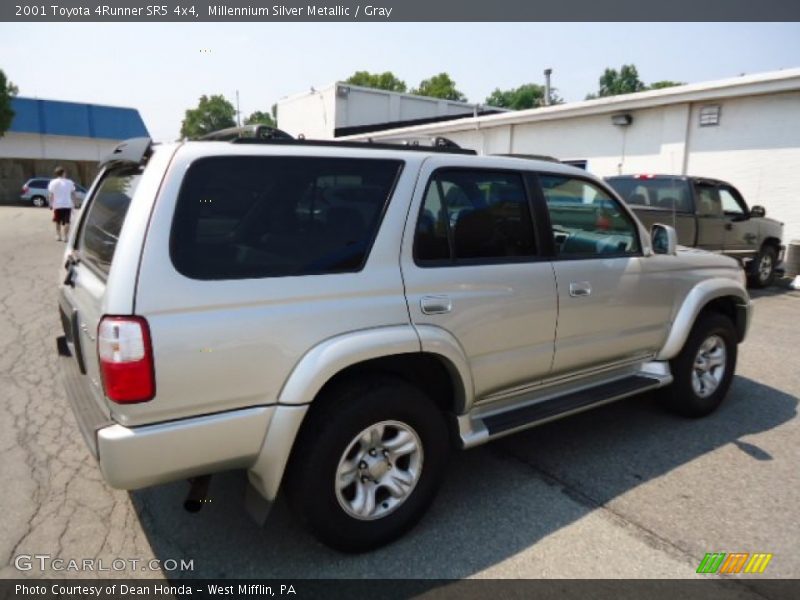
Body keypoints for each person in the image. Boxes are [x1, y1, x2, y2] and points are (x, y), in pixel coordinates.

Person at [48, 166, 77, 241]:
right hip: (67, 204)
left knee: (57, 221)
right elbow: (73, 193)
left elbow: (51, 194)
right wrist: (74, 203)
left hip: (57, 205)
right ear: (63, 173)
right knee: (67, 221)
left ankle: (58, 236)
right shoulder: (70, 182)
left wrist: (50, 204)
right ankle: (66, 237)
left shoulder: (53, 182)